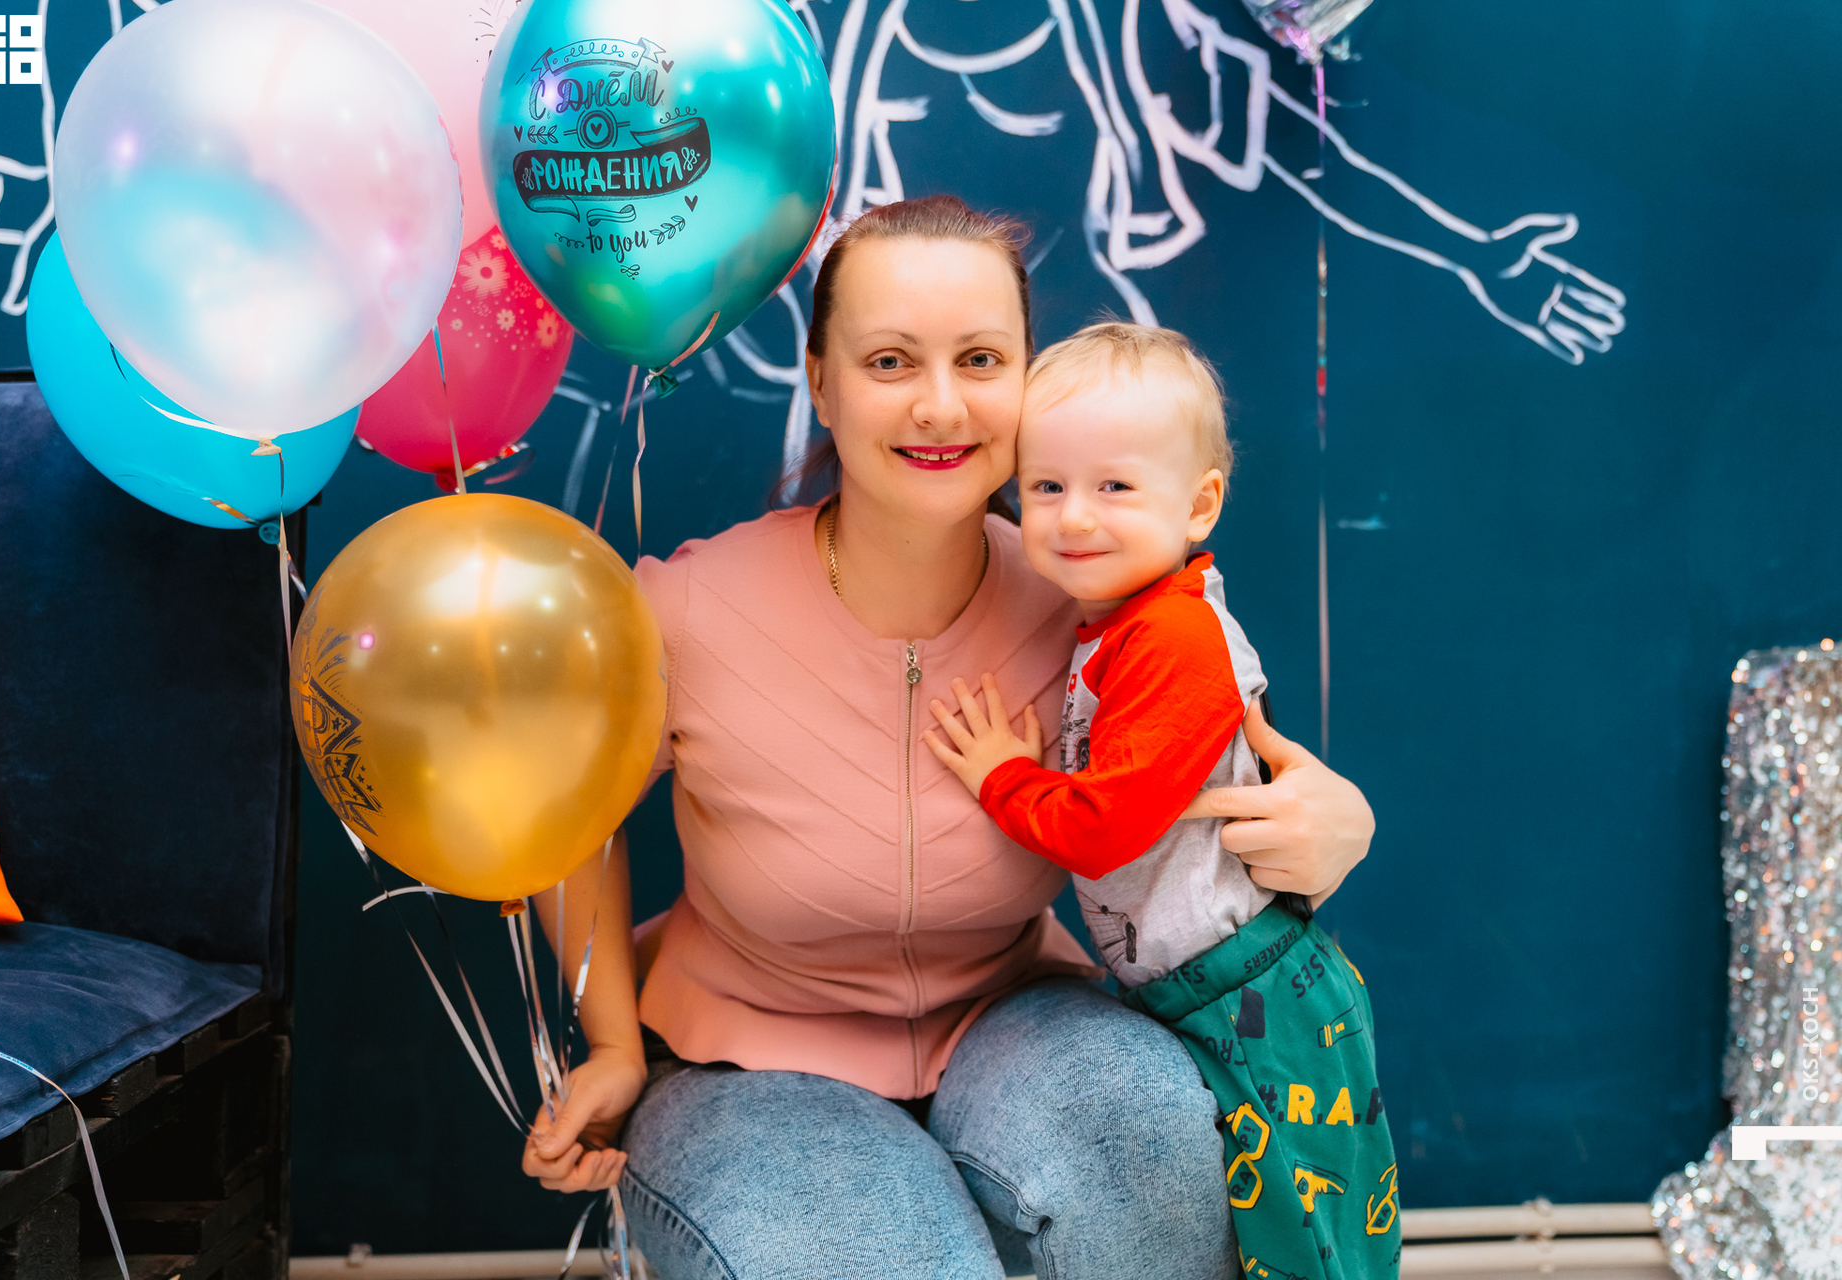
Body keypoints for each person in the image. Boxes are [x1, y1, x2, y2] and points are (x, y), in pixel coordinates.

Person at [518, 195, 1375, 1279]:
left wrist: (1340, 821)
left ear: (1026, 380)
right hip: (746, 1059)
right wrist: (610, 1042)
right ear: (821, 381)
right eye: (889, 362)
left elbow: (1225, 757)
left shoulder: (1093, 598)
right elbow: (561, 811)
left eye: (980, 360)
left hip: (1019, 1012)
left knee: (1145, 1143)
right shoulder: (686, 610)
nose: (940, 405)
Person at [922, 322, 1397, 1280]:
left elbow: (1102, 830)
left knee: (1307, 1247)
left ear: (1200, 505)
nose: (1073, 517)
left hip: (1249, 992)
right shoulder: (1118, 624)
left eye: (1115, 487)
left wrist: (1001, 774)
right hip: (1199, 986)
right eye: (1045, 487)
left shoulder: (1173, 638)